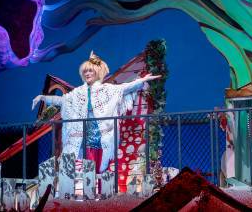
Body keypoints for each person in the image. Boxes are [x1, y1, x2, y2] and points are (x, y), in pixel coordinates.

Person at [32, 51, 160, 173]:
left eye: (90, 70)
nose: (87, 73)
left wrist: (142, 81)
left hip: (102, 136)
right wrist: (43, 98)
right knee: (87, 167)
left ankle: (100, 191)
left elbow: (124, 88)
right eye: (85, 71)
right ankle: (89, 191)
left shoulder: (107, 89)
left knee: (101, 168)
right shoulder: (78, 93)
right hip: (84, 137)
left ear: (97, 72)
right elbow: (62, 100)